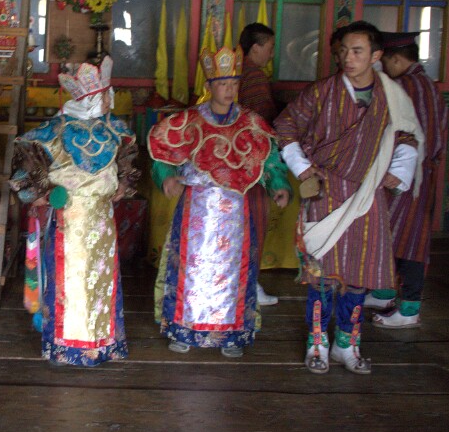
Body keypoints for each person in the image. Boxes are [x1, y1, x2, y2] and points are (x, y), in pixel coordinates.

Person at [273, 21, 424, 374]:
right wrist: (303, 168)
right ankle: (317, 344)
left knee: (359, 274)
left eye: (357, 51)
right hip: (326, 191)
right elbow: (285, 126)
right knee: (321, 274)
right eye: (342, 51)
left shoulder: (393, 96)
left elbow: (408, 137)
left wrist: (397, 172)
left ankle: (347, 343)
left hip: (368, 194)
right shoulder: (322, 92)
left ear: (376, 55)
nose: (348, 58)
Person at [148, 46, 291, 359]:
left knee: (233, 272)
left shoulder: (251, 123)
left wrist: (277, 185)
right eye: (223, 84)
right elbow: (162, 151)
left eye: (234, 84)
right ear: (209, 86)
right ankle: (183, 329)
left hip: (235, 212)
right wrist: (167, 177)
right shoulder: (188, 121)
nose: (230, 90)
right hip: (197, 209)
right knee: (189, 269)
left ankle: (231, 334)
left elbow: (269, 161)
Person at [9, 56, 138, 366]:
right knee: (68, 282)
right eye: (106, 94)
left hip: (101, 222)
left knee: (100, 281)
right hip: (67, 221)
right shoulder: (55, 131)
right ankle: (64, 345)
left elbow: (127, 162)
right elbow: (25, 168)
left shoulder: (114, 129)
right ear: (93, 96)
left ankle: (100, 342)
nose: (111, 99)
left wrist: (122, 184)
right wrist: (42, 193)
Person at [368, 33, 448, 328]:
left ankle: (410, 307)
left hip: (407, 175)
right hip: (420, 174)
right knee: (394, 234)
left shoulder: (403, 86)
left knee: (411, 239)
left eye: (386, 62)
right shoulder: (428, 84)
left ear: (396, 59)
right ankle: (384, 292)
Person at [238, 22, 280, 306]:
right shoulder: (253, 76)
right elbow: (263, 121)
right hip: (249, 162)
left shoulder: (237, 72)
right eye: (269, 47)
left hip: (229, 161)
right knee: (251, 222)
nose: (271, 54)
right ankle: (248, 284)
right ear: (255, 48)